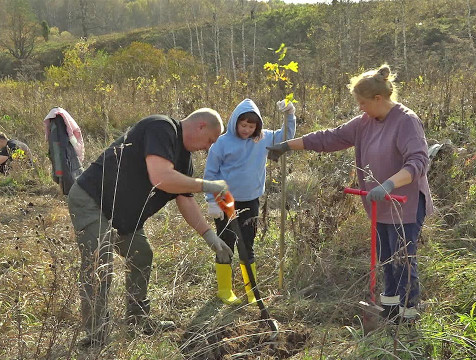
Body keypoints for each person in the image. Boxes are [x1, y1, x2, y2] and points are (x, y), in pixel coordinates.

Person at [267, 65, 433, 322]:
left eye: (362, 102)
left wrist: (388, 184)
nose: (360, 108)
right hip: (379, 205)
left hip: (405, 204)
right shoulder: (364, 123)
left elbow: (418, 162)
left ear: (379, 99)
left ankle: (408, 317)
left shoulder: (406, 121)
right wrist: (288, 145)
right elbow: (329, 138)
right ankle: (390, 312)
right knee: (387, 259)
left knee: (403, 261)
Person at [67, 109, 234, 347]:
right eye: (210, 140)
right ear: (201, 126)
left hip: (125, 216)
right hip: (93, 200)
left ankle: (138, 320)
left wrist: (209, 237)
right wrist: (208, 185)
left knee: (141, 255)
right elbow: (161, 177)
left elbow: (185, 199)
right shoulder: (161, 127)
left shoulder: (184, 161)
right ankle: (96, 334)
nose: (208, 148)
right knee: (99, 263)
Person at [204, 98, 296, 305]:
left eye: (251, 126)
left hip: (251, 200)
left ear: (257, 126)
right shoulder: (221, 142)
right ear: (235, 122)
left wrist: (289, 114)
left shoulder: (263, 139)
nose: (246, 129)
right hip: (225, 201)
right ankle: (225, 290)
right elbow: (210, 173)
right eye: (242, 124)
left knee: (247, 244)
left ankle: (252, 290)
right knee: (225, 243)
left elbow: (286, 137)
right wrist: (211, 201)